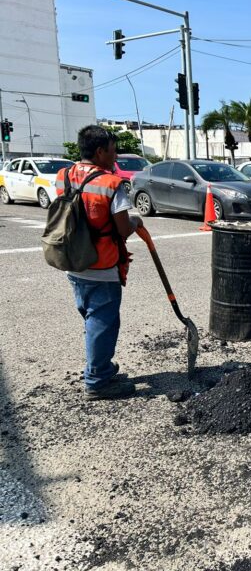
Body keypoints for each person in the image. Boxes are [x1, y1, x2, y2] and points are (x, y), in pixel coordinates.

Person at [56, 125, 142, 399]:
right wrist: (135, 220)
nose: (115, 159)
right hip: (101, 265)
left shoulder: (64, 175)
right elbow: (122, 229)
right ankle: (97, 381)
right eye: (113, 152)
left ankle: (101, 367)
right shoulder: (110, 184)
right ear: (99, 151)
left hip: (73, 259)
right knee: (102, 322)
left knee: (91, 316)